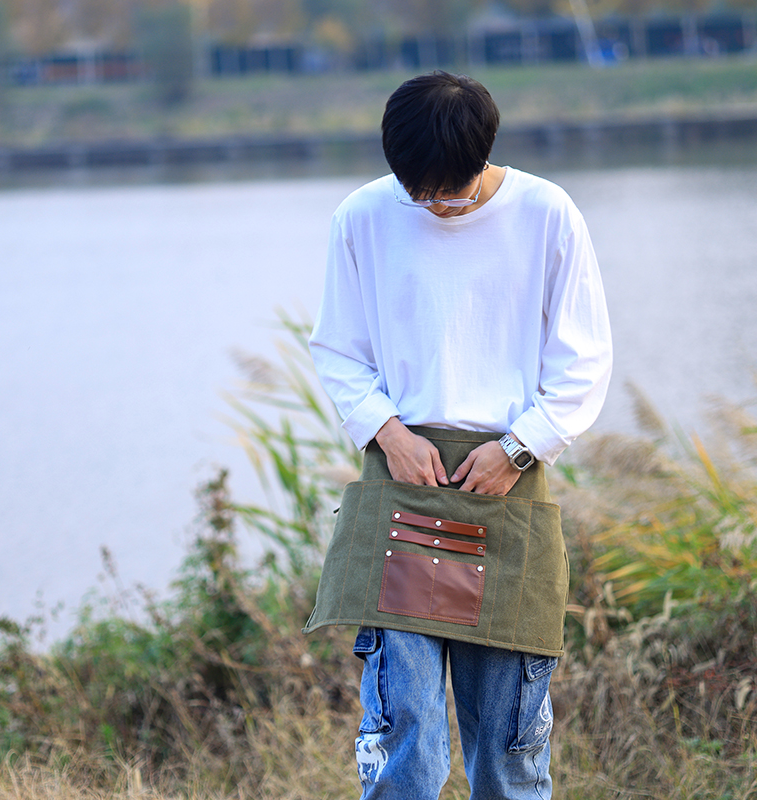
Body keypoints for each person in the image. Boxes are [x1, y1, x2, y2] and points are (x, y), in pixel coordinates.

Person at [304, 71, 613, 800]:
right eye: (422, 194)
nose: (439, 207)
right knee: (406, 741)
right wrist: (386, 431)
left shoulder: (548, 212)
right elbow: (338, 348)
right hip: (401, 482)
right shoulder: (363, 215)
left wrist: (518, 447)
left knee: (509, 754)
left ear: (485, 155)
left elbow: (584, 358)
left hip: (504, 484)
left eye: (455, 192)